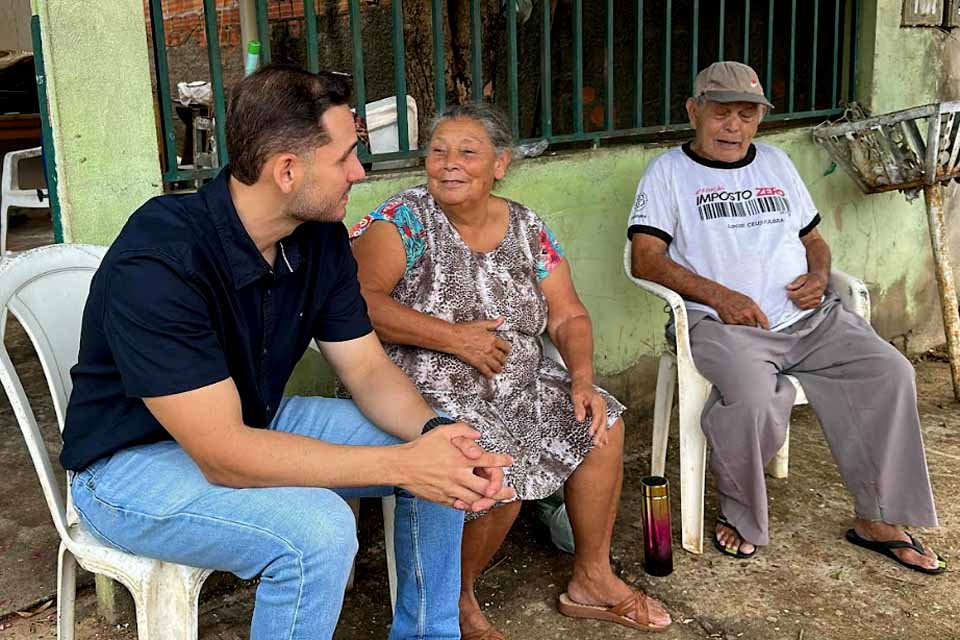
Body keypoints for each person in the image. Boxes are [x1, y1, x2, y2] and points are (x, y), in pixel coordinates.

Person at [59, 65, 517, 640]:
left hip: (251, 418)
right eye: (347, 156)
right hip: (130, 465)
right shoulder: (161, 260)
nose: (359, 172)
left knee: (447, 443)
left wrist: (430, 435)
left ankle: (429, 632)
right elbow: (223, 453)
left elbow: (367, 367)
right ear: (287, 170)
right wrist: (403, 466)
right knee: (319, 531)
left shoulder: (316, 234)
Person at [350, 103, 672, 638]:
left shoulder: (525, 226)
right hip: (422, 388)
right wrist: (455, 337)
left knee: (602, 423)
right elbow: (358, 305)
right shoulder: (403, 220)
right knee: (496, 462)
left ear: (500, 163)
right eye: (438, 151)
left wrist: (582, 377)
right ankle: (457, 597)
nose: (448, 164)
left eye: (467, 152)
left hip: (516, 382)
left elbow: (567, 313)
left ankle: (591, 578)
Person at [628, 61, 945, 574]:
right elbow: (646, 258)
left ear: (759, 119)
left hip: (808, 319)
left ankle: (880, 519)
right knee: (754, 401)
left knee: (891, 373)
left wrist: (820, 276)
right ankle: (744, 516)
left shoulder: (775, 163)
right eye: (721, 113)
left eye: (747, 114)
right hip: (723, 325)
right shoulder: (669, 172)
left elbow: (814, 241)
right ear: (694, 112)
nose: (734, 126)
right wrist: (720, 296)